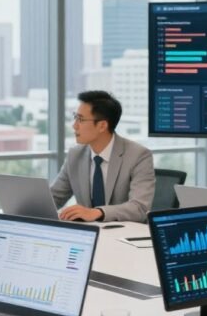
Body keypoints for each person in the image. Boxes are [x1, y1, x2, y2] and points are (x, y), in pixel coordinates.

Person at [51, 90, 155, 223]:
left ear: (102, 126)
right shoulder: (75, 155)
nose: (74, 126)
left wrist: (97, 212)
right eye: (75, 117)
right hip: (88, 231)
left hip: (122, 232)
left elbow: (139, 208)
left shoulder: (139, 156)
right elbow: (54, 197)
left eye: (80, 119)